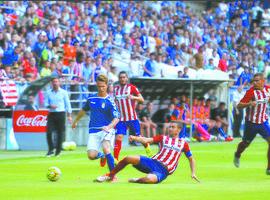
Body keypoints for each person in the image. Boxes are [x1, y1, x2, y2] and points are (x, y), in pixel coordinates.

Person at [95, 122, 199, 184]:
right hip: (152, 162)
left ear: (179, 130)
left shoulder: (183, 144)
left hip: (163, 171)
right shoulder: (162, 138)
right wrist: (135, 138)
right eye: (170, 126)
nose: (170, 128)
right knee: (129, 158)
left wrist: (193, 173)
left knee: (149, 180)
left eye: (172, 127)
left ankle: (137, 180)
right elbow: (146, 140)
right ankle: (110, 175)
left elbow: (191, 158)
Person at [72, 74, 120, 174]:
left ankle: (112, 175)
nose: (101, 88)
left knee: (106, 148)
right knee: (91, 156)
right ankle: (102, 156)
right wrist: (75, 121)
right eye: (99, 86)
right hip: (93, 130)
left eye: (103, 86)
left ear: (107, 85)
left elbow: (116, 118)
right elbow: (83, 110)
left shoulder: (110, 101)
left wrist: (109, 126)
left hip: (107, 129)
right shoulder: (91, 99)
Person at [233, 73, 270, 175]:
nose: (254, 83)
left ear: (262, 81)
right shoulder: (250, 92)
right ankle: (237, 154)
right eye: (253, 81)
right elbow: (239, 105)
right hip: (251, 123)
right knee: (245, 144)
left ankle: (269, 168)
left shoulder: (268, 89)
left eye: (256, 80)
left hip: (263, 122)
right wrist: (249, 103)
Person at [113, 71, 152, 161]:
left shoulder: (132, 88)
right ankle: (115, 159)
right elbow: (115, 102)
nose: (122, 79)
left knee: (139, 138)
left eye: (124, 77)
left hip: (132, 118)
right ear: (119, 79)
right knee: (118, 137)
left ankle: (147, 147)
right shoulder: (116, 90)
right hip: (121, 119)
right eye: (121, 77)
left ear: (127, 78)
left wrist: (133, 97)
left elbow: (142, 99)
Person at [45, 77, 72, 157]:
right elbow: (45, 103)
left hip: (61, 113)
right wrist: (50, 106)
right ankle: (51, 149)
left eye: (56, 81)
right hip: (52, 114)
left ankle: (58, 151)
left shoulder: (64, 92)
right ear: (51, 83)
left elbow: (68, 104)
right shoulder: (48, 92)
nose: (55, 83)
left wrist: (69, 116)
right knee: (49, 132)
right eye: (54, 82)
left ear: (59, 83)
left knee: (60, 133)